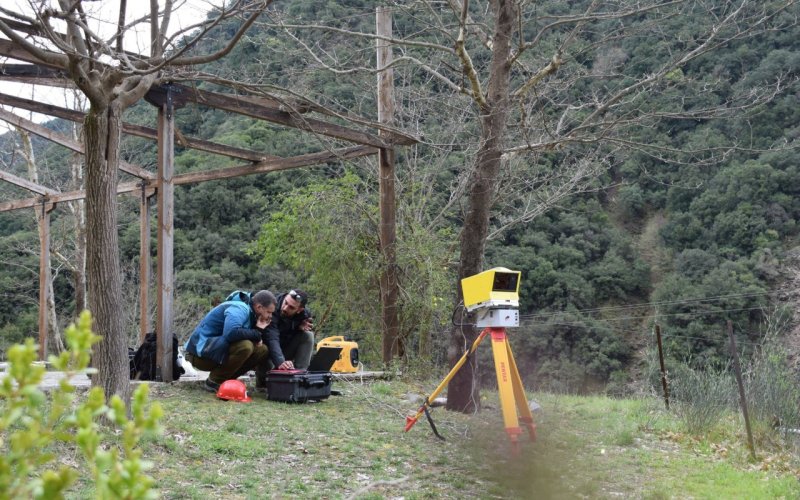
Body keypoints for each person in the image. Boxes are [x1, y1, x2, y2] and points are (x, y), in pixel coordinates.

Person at [184, 290, 277, 392]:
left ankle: (226, 382)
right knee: (246, 346)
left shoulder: (253, 314)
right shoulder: (240, 308)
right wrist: (256, 333)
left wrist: (258, 331)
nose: (270, 316)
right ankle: (214, 382)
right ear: (259, 307)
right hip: (199, 356)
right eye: (269, 312)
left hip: (215, 351)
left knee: (262, 349)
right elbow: (230, 333)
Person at [259, 289, 315, 373]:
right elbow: (272, 338)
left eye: (291, 307)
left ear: (299, 310)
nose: (285, 308)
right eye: (285, 302)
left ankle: (300, 375)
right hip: (268, 351)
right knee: (267, 375)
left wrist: (297, 328)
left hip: (284, 349)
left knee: (307, 335)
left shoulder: (304, 315)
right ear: (285, 297)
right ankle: (264, 379)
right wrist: (281, 362)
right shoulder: (271, 309)